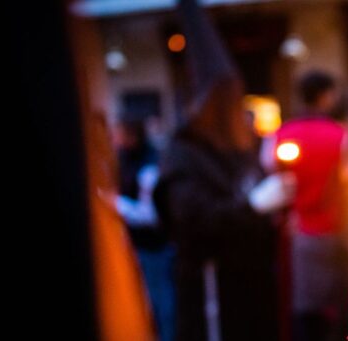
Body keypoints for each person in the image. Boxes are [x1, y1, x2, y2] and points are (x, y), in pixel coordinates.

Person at [153, 0, 295, 339]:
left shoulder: (239, 149)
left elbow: (252, 192)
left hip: (253, 282)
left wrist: (275, 200)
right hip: (213, 291)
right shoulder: (184, 154)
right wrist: (254, 205)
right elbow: (193, 220)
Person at [264, 71, 348, 341]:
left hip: (298, 233)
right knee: (335, 310)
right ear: (325, 96)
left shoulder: (280, 136)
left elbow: (273, 183)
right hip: (336, 230)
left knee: (304, 311)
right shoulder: (342, 135)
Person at [112, 112, 176, 341]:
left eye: (118, 134)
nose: (115, 139)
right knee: (149, 301)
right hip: (139, 243)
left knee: (162, 301)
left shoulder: (148, 167)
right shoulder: (126, 161)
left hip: (154, 245)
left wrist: (116, 204)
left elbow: (150, 214)